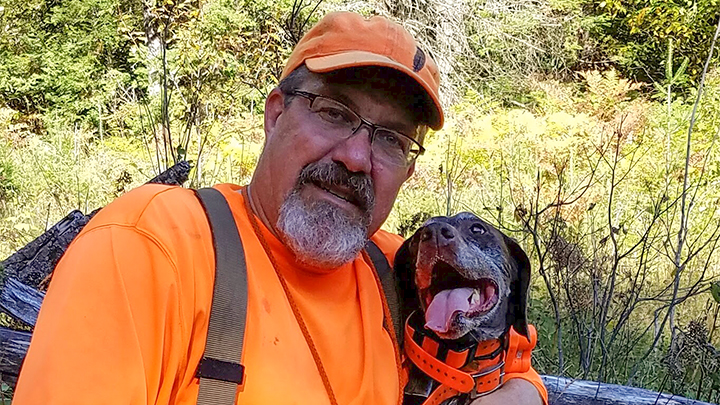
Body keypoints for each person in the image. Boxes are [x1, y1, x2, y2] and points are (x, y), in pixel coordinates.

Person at [13, 11, 548, 405]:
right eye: (334, 113)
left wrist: (523, 391)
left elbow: (507, 343)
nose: (357, 157)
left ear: (407, 170)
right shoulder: (154, 247)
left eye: (389, 139)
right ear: (275, 115)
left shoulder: (400, 270)